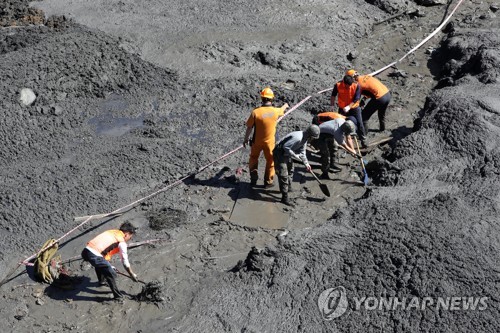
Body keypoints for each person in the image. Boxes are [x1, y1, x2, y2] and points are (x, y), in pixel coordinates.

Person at [243, 87, 289, 187]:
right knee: (270, 161)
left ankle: (253, 178)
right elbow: (282, 110)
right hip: (270, 143)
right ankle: (268, 182)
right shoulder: (276, 111)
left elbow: (249, 127)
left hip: (257, 142)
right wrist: (285, 105)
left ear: (262, 98)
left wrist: (246, 139)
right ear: (271, 99)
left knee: (254, 158)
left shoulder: (255, 112)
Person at [81, 222, 139, 301]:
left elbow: (102, 254)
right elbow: (125, 262)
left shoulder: (111, 232)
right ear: (127, 234)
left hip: (86, 251)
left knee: (103, 266)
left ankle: (101, 282)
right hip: (94, 254)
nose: (129, 239)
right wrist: (132, 274)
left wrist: (110, 266)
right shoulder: (121, 242)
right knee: (111, 274)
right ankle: (118, 296)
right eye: (130, 237)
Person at [273, 124, 320, 205]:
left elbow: (302, 153)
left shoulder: (305, 139)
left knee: (291, 170)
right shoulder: (298, 138)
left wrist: (307, 164)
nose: (313, 140)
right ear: (309, 135)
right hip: (279, 153)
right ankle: (284, 197)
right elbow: (286, 147)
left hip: (287, 153)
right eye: (313, 138)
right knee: (283, 175)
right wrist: (295, 156)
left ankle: (289, 188)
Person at [330, 70, 367, 147]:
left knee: (360, 123)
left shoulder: (356, 86)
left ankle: (363, 140)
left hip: (354, 107)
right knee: (340, 124)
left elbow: (356, 98)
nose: (348, 87)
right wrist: (332, 105)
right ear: (344, 82)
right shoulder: (338, 85)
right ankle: (340, 141)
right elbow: (333, 95)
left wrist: (349, 106)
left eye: (349, 86)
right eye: (347, 86)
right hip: (342, 108)